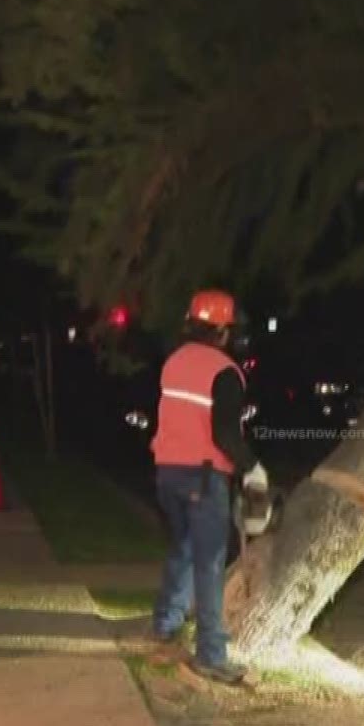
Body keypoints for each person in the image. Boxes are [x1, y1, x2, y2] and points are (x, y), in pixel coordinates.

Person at [148, 289, 263, 684]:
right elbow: (224, 432)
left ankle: (165, 623)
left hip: (166, 473)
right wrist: (251, 468)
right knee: (210, 563)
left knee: (183, 546)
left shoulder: (174, 363)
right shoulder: (225, 371)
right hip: (203, 475)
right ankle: (212, 654)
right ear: (222, 331)